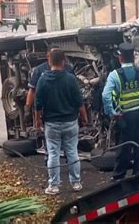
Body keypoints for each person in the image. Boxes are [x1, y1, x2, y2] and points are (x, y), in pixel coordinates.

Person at [102, 43, 139, 181]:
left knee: (124, 147)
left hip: (124, 117)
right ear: (133, 57)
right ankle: (138, 174)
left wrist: (111, 112)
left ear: (120, 58)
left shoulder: (114, 75)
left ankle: (119, 177)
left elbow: (105, 95)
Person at [34, 49, 87, 195]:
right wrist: (84, 117)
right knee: (72, 152)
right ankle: (76, 183)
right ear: (63, 61)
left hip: (51, 124)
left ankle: (54, 185)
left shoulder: (42, 80)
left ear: (49, 61)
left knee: (53, 153)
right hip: (70, 122)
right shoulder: (70, 79)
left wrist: (37, 120)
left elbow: (38, 104)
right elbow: (79, 101)